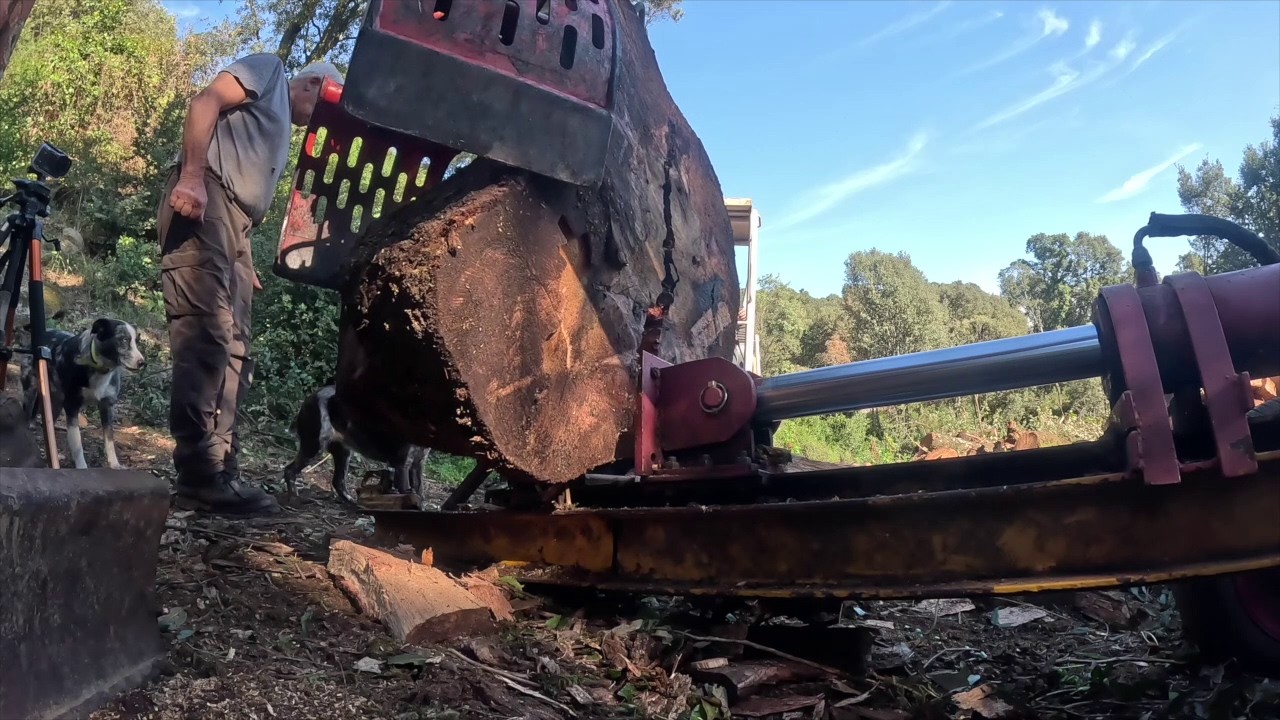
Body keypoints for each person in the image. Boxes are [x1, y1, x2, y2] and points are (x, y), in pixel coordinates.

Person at [157, 56, 343, 514]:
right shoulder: (271, 70)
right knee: (206, 336)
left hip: (234, 226)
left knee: (236, 347)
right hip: (207, 197)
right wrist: (192, 178)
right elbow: (204, 103)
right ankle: (199, 474)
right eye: (325, 110)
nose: (317, 123)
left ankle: (221, 467)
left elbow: (248, 181)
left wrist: (242, 254)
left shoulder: (279, 119)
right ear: (315, 84)